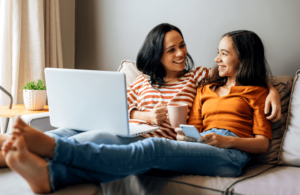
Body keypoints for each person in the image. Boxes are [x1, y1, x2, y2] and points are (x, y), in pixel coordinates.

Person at [3, 29, 275, 194]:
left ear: (244, 57)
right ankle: (48, 173)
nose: (216, 59)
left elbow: (262, 143)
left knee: (154, 148)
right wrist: (186, 136)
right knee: (123, 148)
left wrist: (270, 90)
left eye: (224, 54)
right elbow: (192, 129)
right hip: (201, 144)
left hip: (231, 154)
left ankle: (52, 148)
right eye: (217, 52)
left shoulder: (255, 91)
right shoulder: (207, 87)